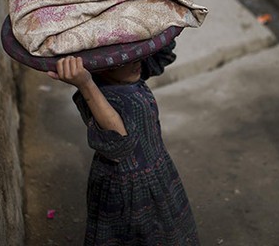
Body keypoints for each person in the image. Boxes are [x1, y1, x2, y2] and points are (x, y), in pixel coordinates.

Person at [48, 41, 200, 245]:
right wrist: (85, 84)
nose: (135, 62)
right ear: (97, 67)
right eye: (121, 60)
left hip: (157, 171)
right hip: (128, 189)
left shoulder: (127, 75)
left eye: (135, 54)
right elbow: (120, 144)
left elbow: (162, 54)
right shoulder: (102, 95)